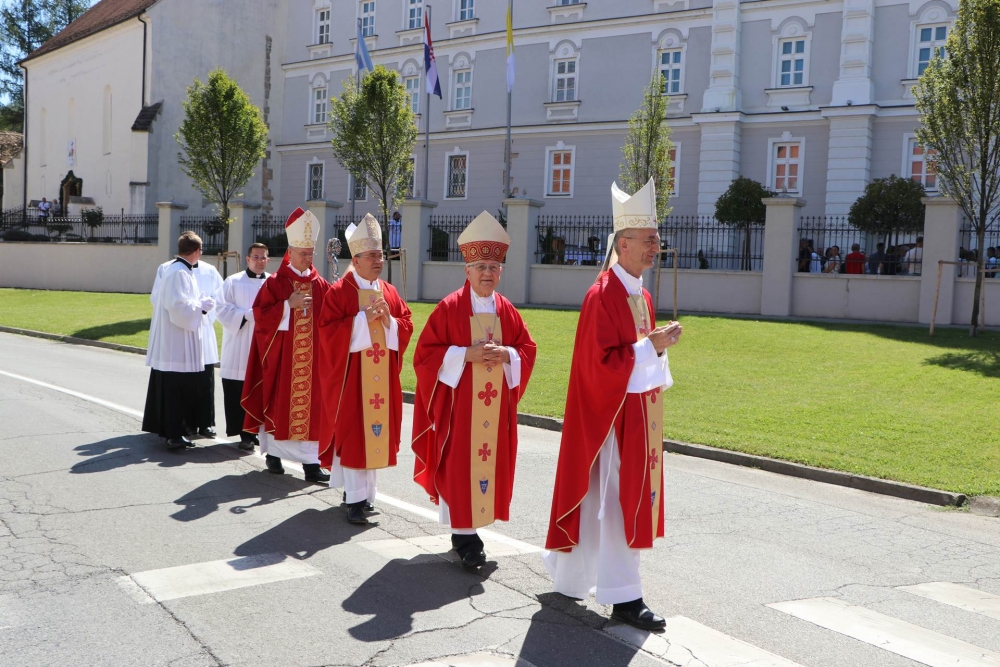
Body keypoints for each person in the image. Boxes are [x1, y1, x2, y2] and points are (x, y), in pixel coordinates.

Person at [543, 178, 681, 631]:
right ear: (624, 243)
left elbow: (634, 357)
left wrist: (654, 349)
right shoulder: (602, 294)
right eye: (649, 240)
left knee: (601, 501)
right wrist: (652, 349)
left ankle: (569, 578)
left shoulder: (639, 294)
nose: (656, 247)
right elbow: (599, 365)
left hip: (634, 417)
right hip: (609, 420)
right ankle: (625, 596)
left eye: (656, 239)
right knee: (619, 502)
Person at [411, 212, 537, 568]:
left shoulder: (507, 310)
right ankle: (464, 537)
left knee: (486, 465)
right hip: (459, 410)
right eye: (481, 265)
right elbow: (424, 357)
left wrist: (508, 354)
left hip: (493, 412)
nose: (488, 273)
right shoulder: (450, 308)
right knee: (459, 466)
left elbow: (528, 349)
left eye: (494, 266)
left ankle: (471, 530)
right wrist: (465, 354)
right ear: (466, 270)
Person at [318, 214, 413, 524]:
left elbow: (406, 323)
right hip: (351, 380)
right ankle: (355, 501)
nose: (379, 260)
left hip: (381, 379)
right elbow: (327, 333)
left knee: (373, 434)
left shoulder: (389, 291)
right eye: (372, 255)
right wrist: (361, 320)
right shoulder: (340, 292)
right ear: (355, 260)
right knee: (356, 433)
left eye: (381, 254)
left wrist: (389, 322)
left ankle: (364, 496)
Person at [241, 208, 332, 484]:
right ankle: (274, 455)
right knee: (279, 402)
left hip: (313, 361)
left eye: (311, 253)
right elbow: (260, 315)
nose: (308, 258)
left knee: (313, 408)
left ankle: (312, 464)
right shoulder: (275, 283)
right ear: (290, 253)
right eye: (303, 253)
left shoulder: (321, 285)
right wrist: (285, 306)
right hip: (282, 359)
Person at [142, 232, 215, 449]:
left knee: (180, 389)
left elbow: (181, 302)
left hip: (180, 341)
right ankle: (174, 434)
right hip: (177, 344)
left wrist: (199, 302)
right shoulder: (178, 272)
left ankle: (177, 432)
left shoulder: (180, 270)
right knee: (177, 389)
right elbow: (177, 307)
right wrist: (201, 307)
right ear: (197, 251)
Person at [216, 243, 270, 450]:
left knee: (259, 390)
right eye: (256, 257)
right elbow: (221, 308)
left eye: (263, 257)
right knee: (238, 389)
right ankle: (243, 434)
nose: (260, 261)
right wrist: (246, 315)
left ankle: (254, 431)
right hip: (239, 343)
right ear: (247, 259)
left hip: (263, 344)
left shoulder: (273, 283)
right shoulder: (233, 282)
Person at [191, 257, 224, 438]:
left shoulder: (209, 270)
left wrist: (207, 309)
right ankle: (185, 423)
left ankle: (205, 424)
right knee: (186, 381)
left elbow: (221, 295)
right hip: (183, 332)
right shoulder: (171, 270)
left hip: (204, 329)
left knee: (206, 380)